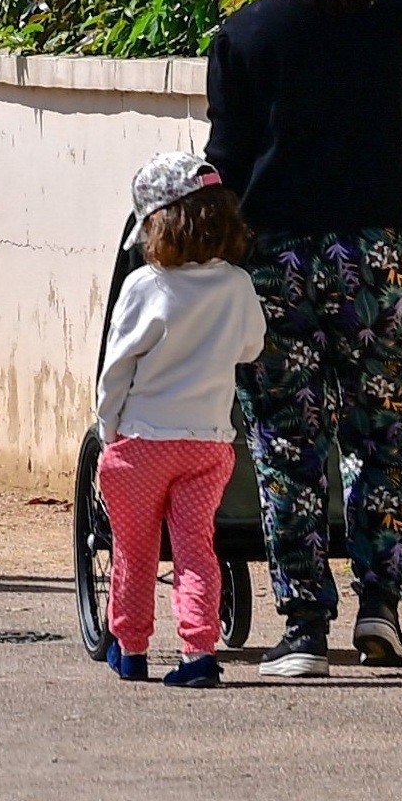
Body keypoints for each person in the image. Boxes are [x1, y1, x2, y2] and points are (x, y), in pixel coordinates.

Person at [205, 0, 402, 678]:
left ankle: (305, 623)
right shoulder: (398, 15)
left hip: (280, 258)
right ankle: (380, 605)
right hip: (382, 254)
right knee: (386, 427)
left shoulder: (243, 34)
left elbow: (226, 160)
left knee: (287, 436)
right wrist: (387, 181)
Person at [92, 153, 266, 689]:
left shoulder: (144, 286)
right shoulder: (238, 284)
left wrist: (108, 430)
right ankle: (198, 652)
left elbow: (117, 369)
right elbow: (252, 347)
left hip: (142, 441)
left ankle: (131, 648)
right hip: (207, 443)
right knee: (196, 550)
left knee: (134, 549)